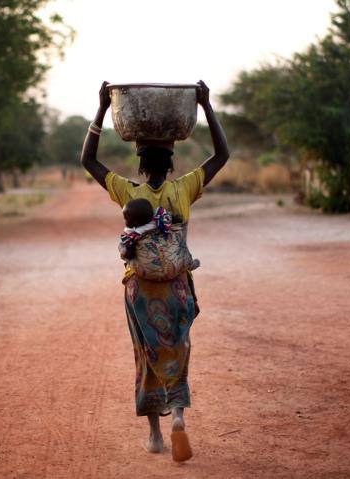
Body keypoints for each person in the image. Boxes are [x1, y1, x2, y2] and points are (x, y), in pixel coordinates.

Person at [80, 80, 229, 462]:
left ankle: (155, 437)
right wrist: (206, 106)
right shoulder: (184, 189)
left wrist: (100, 109)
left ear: (142, 164)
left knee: (146, 354)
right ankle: (178, 413)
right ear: (172, 162)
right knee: (178, 350)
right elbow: (222, 155)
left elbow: (89, 162)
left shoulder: (130, 192)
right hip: (177, 285)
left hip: (141, 291)